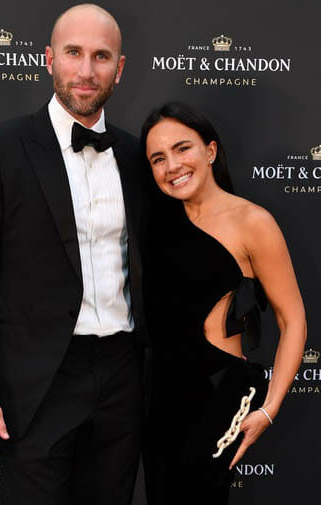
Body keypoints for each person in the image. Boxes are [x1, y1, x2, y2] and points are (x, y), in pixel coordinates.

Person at [0, 4, 148, 505]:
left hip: (124, 374)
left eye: (101, 56)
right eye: (73, 53)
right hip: (36, 382)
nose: (85, 70)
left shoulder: (136, 153)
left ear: (119, 69)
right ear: (48, 59)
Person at [141, 102, 306, 504]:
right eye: (158, 158)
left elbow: (293, 317)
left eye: (183, 149)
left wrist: (269, 409)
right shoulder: (157, 224)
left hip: (218, 393)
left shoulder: (253, 222)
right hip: (159, 395)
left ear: (210, 151)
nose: (172, 166)